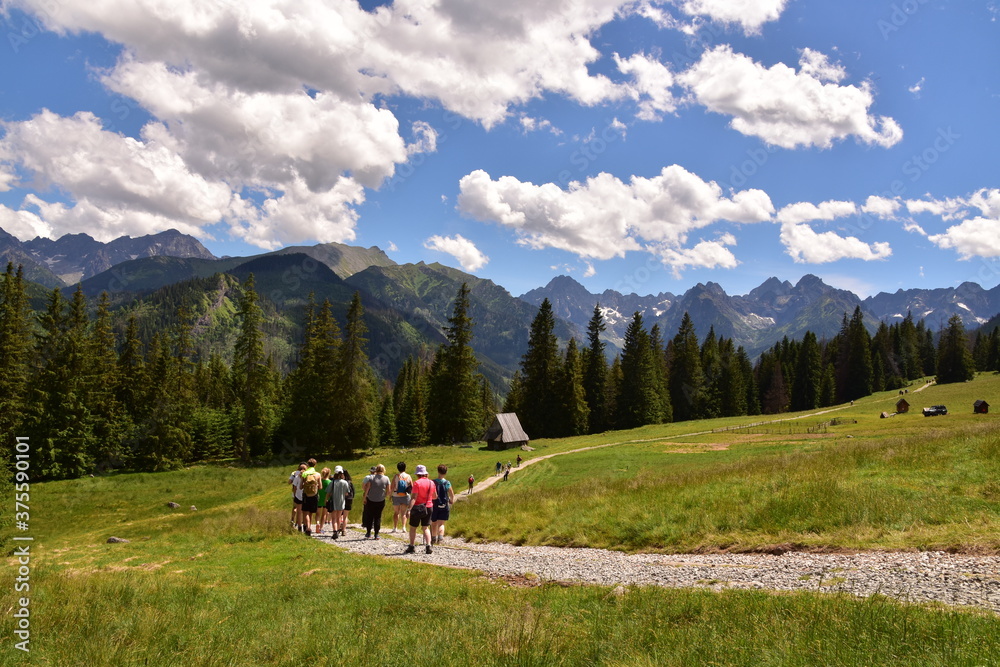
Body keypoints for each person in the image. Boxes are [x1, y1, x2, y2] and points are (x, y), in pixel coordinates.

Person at [405, 464, 436, 555]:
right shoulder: (431, 483)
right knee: (425, 527)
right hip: (429, 506)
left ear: (418, 474)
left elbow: (414, 497)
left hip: (418, 507)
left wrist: (409, 509)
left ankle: (411, 546)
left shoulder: (417, 483)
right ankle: (428, 545)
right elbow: (434, 496)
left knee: (413, 527)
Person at [362, 464, 389, 539]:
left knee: (369, 516)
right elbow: (388, 490)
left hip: (371, 499)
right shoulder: (386, 478)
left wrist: (365, 497)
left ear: (376, 470)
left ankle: (368, 532)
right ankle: (376, 534)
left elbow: (367, 488)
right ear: (383, 470)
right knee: (378, 516)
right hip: (381, 499)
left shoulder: (371, 477)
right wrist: (385, 496)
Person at [430, 464, 455, 545]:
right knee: (441, 523)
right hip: (444, 505)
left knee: (434, 523)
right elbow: (451, 494)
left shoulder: (433, 482)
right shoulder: (447, 483)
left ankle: (433, 538)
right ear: (446, 472)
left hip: (434, 505)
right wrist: (451, 500)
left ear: (438, 471)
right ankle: (440, 539)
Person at [390, 461, 413, 533]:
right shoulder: (408, 476)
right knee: (404, 512)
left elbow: (392, 486)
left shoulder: (396, 476)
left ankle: (395, 527)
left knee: (396, 512)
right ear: (405, 468)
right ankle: (403, 527)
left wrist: (390, 495)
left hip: (396, 496)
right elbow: (412, 487)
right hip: (405, 496)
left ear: (398, 468)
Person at [300, 463, 322, 536]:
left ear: (308, 465)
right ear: (315, 465)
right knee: (311, 512)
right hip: (314, 495)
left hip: (306, 495)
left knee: (306, 512)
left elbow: (300, 487)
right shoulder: (318, 474)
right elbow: (320, 487)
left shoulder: (304, 474)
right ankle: (309, 527)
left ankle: (308, 527)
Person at [328, 467, 350, 540]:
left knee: (333, 518)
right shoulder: (345, 482)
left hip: (334, 501)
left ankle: (335, 531)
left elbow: (328, 492)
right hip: (341, 502)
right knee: (339, 517)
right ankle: (338, 529)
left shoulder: (333, 482)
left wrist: (326, 499)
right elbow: (347, 493)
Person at [288, 462, 307, 529]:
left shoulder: (294, 473)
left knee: (295, 508)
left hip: (295, 493)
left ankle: (293, 520)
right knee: (303, 510)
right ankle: (301, 523)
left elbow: (289, 482)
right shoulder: (307, 474)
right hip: (305, 494)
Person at [317, 467, 332, 535]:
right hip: (326, 500)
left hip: (319, 498)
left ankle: (317, 523)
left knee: (318, 513)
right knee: (324, 514)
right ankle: (321, 527)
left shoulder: (319, 481)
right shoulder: (329, 482)